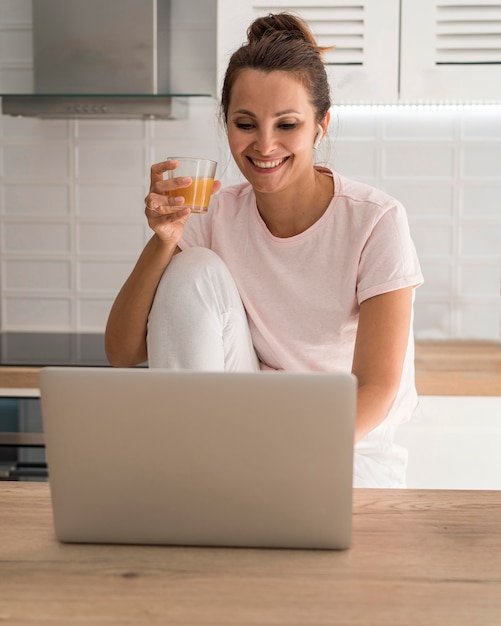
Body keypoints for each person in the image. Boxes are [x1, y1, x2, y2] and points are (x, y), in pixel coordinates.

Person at [105, 12, 423, 488]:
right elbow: (122, 352)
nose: (265, 144)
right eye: (245, 123)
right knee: (191, 268)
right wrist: (164, 240)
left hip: (348, 442)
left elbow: (376, 389)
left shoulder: (376, 220)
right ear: (226, 124)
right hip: (246, 429)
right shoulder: (215, 213)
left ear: (320, 126)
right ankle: (195, 471)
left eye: (288, 124)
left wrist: (289, 458)